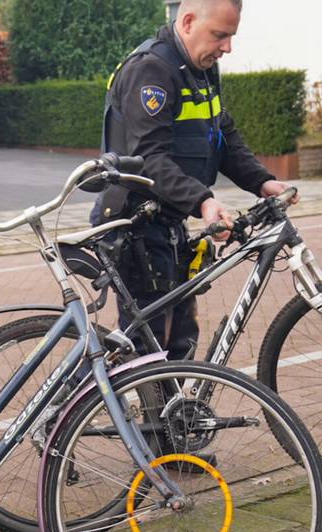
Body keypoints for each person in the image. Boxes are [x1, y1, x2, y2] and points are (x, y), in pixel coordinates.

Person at [97, 0, 295, 360]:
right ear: (188, 21)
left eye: (231, 37)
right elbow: (150, 159)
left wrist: (263, 182)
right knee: (148, 341)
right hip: (135, 222)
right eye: (220, 35)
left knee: (180, 335)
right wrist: (203, 201)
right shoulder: (151, 71)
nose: (227, 48)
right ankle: (88, 408)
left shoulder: (199, 68)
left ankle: (171, 416)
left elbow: (223, 134)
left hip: (168, 220)